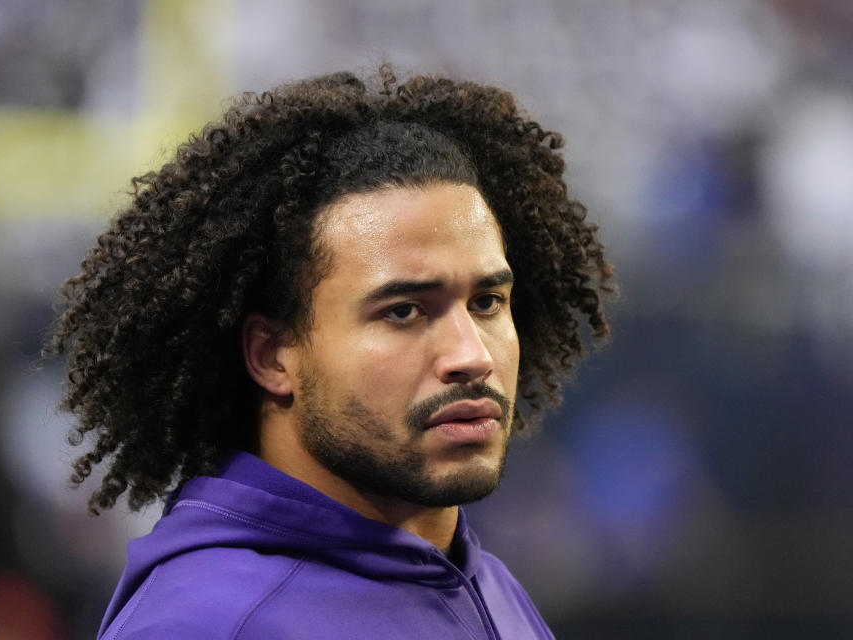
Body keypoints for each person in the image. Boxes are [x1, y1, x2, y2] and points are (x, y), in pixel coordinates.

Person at [46, 65, 614, 639]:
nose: (471, 355)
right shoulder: (210, 624)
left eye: (488, 302)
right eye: (403, 312)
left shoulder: (487, 586)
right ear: (273, 356)